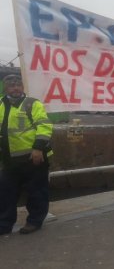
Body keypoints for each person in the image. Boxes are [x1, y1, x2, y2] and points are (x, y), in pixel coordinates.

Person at [0, 74, 53, 235]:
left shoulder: (32, 104)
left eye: (18, 85)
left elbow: (44, 126)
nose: (15, 88)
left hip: (33, 157)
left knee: (36, 191)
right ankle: (4, 224)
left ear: (22, 87)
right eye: (11, 86)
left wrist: (38, 148)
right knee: (5, 193)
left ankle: (35, 221)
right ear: (5, 88)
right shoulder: (1, 104)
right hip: (9, 159)